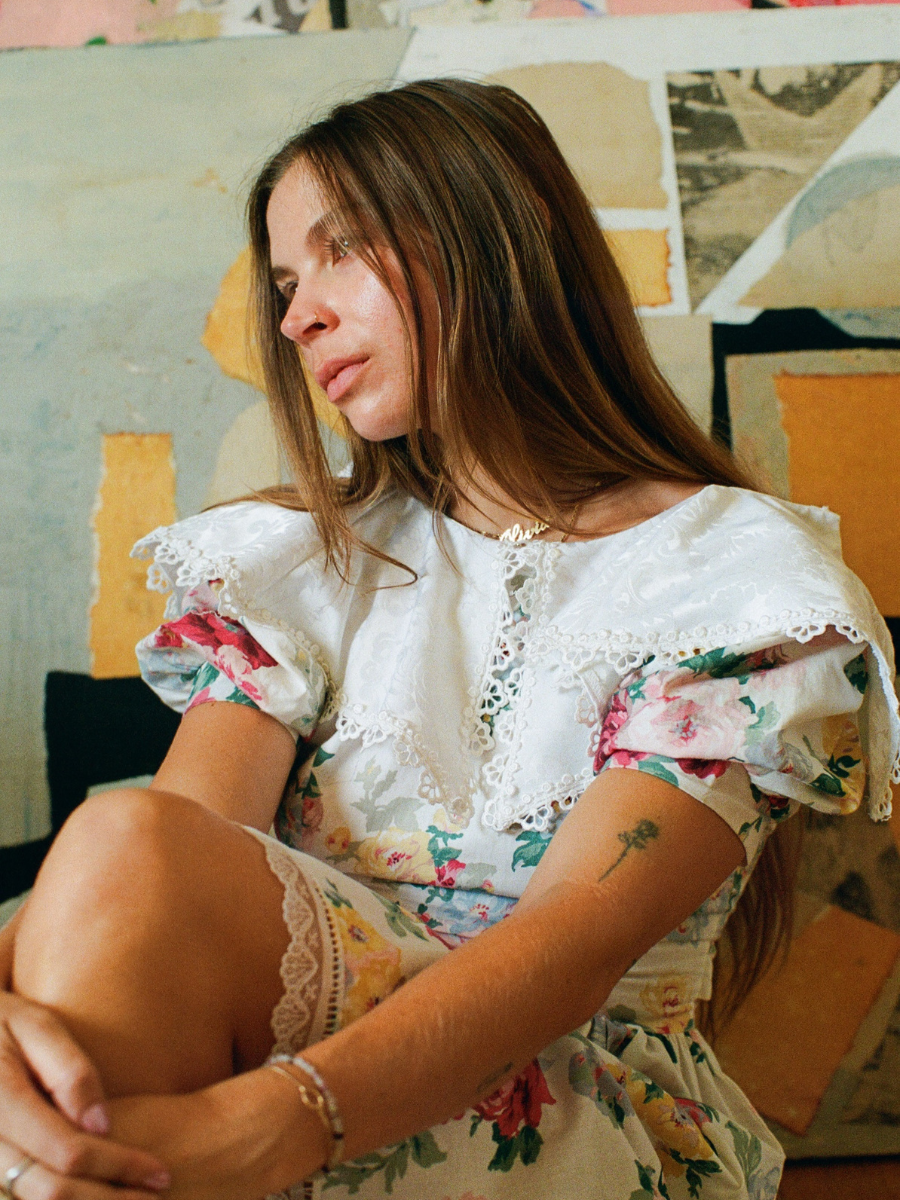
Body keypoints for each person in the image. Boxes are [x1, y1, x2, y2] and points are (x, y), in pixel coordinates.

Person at [0, 78, 897, 1200]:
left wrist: (281, 1119)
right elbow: (154, 868)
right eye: (285, 283)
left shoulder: (733, 582)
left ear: (493, 235)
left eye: (340, 253)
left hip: (551, 1085)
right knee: (119, 856)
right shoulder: (299, 562)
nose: (295, 318)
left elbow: (569, 945)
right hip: (248, 1048)